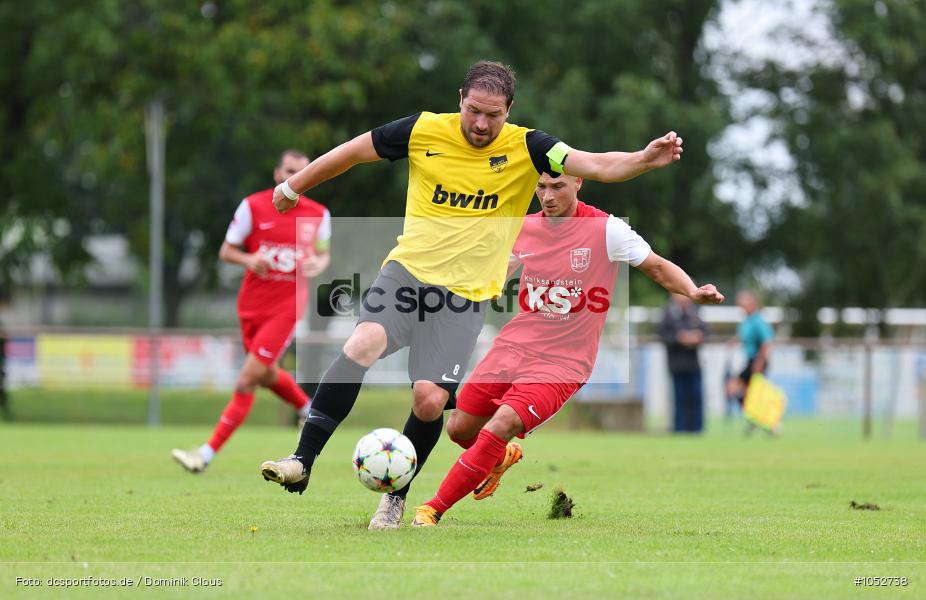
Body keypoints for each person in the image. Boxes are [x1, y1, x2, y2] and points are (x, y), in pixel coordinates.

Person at [258, 60, 685, 530]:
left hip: (463, 298)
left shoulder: (529, 146)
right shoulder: (422, 130)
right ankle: (302, 459)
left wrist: (644, 159)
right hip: (407, 275)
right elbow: (352, 152)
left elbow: (598, 165)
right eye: (474, 111)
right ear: (460, 99)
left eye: (494, 115)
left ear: (509, 111)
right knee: (360, 344)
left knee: (429, 403)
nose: (482, 124)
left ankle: (395, 499)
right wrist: (294, 185)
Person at [411, 172, 724, 526]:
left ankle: (432, 509)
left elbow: (656, 267)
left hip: (563, 363)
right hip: (514, 346)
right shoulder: (520, 226)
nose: (547, 196)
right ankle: (500, 457)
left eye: (557, 186)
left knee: (501, 424)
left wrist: (693, 291)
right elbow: (496, 270)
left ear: (578, 182)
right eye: (541, 187)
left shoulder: (608, 230)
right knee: (459, 428)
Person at [172, 150, 331, 473]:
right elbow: (226, 250)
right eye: (289, 171)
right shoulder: (252, 206)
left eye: (302, 173)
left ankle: (204, 454)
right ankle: (309, 409)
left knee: (247, 379)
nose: (295, 178)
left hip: (287, 308)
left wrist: (319, 262)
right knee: (266, 374)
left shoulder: (319, 214)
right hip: (251, 306)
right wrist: (249, 260)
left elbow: (323, 256)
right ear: (277, 173)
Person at [659, 294, 709, 433]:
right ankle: (679, 430)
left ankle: (697, 430)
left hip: (694, 365)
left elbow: (706, 331)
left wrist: (697, 336)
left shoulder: (696, 312)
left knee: (696, 398)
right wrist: (679, 338)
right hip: (677, 365)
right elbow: (663, 335)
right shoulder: (669, 314)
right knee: (679, 399)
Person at [726, 290, 774, 405]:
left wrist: (760, 362)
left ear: (753, 304)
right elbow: (744, 337)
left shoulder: (758, 321)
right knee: (742, 391)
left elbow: (766, 343)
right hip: (750, 360)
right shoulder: (746, 322)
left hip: (757, 361)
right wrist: (734, 341)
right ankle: (754, 418)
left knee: (737, 388)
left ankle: (763, 416)